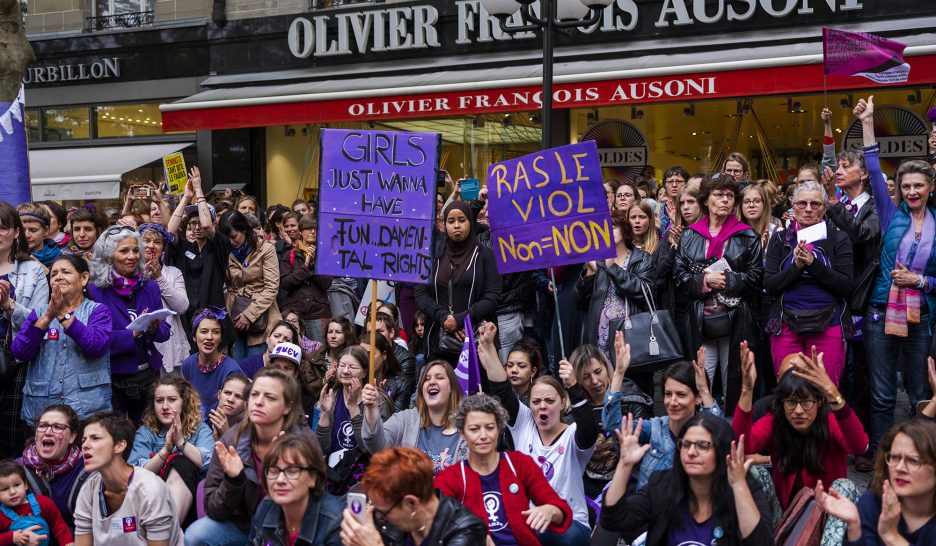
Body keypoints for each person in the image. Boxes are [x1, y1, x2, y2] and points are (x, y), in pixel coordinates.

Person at [855, 96, 936, 464]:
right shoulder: (889, 214)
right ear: (899, 190)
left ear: (929, 188)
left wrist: (920, 282)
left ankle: (921, 453)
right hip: (879, 312)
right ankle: (879, 454)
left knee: (920, 390)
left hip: (921, 315)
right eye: (906, 187)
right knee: (883, 393)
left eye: (919, 186)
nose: (912, 192)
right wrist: (869, 122)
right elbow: (873, 169)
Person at [478, 321, 598, 541]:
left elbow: (589, 428)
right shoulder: (524, 423)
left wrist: (573, 386)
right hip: (529, 521)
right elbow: (503, 389)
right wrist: (488, 346)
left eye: (549, 401)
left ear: (562, 404)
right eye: (536, 401)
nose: (542, 406)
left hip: (570, 523)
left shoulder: (573, 434)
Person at [185, 368, 317, 546]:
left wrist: (284, 471)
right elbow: (213, 509)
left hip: (289, 529)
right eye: (254, 395)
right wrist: (234, 481)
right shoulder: (231, 440)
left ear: (288, 407)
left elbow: (315, 504)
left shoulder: (305, 441)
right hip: (245, 527)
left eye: (270, 397)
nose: (259, 402)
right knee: (196, 535)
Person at [601, 413, 773, 546]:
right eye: (685, 444)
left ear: (722, 453)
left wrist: (739, 486)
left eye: (702, 445)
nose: (691, 452)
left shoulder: (744, 487)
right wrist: (625, 465)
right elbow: (613, 519)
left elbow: (761, 543)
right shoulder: (663, 484)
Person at [734, 343, 867, 508]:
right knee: (753, 473)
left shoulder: (830, 420)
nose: (798, 411)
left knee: (845, 487)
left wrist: (833, 392)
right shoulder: (775, 419)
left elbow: (859, 445)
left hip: (828, 517)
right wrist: (747, 390)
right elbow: (741, 446)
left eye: (806, 402)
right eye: (791, 402)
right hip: (785, 518)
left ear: (819, 401)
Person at [675, 172, 764, 413]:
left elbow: (756, 278)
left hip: (736, 322)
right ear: (706, 200)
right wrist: (704, 281)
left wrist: (726, 280)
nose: (725, 200)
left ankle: (734, 437)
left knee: (735, 382)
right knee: (699, 382)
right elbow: (679, 278)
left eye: (729, 195)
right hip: (700, 322)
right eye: (718, 195)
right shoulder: (689, 235)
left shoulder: (748, 236)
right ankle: (699, 437)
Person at [434, 394, 573, 546]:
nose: (483, 436)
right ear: (462, 433)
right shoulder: (451, 476)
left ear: (499, 429)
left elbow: (561, 510)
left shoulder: (519, 464)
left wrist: (550, 511)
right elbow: (432, 521)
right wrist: (471, 538)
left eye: (490, 428)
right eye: (474, 429)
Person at [764, 181, 854, 385]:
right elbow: (770, 286)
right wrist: (795, 266)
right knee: (789, 390)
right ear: (793, 207)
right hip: (786, 325)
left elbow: (846, 286)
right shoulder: (780, 239)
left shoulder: (838, 238)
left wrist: (813, 264)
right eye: (801, 203)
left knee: (825, 391)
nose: (808, 209)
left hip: (829, 324)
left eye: (815, 204)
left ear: (824, 208)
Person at [604, 338, 723, 489]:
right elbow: (612, 425)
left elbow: (722, 436)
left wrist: (705, 391)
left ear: (697, 398)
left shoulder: (707, 431)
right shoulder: (653, 428)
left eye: (681, 395)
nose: (672, 402)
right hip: (651, 509)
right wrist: (619, 373)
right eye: (668, 394)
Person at [14, 255, 111, 426]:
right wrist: (47, 317)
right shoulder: (39, 313)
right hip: (43, 411)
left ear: (84, 278)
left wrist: (61, 315)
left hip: (88, 412)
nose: (58, 276)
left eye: (66, 272)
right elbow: (20, 352)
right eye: (54, 274)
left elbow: (96, 346)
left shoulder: (98, 311)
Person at [87, 225, 169, 424]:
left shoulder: (149, 286)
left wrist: (155, 328)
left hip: (148, 375)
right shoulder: (95, 291)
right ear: (108, 256)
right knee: (116, 437)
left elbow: (165, 333)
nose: (132, 256)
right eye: (124, 251)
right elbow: (94, 339)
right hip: (112, 379)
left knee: (150, 433)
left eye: (135, 250)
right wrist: (130, 334)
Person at [815, 419, 936, 545]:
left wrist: (892, 536)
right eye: (894, 457)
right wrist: (854, 526)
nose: (899, 468)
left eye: (913, 461)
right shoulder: (873, 502)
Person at [74, 411, 184, 546]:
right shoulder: (88, 490)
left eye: (95, 438)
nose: (85, 445)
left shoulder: (150, 489)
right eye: (84, 440)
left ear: (119, 445)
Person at [338, 447, 487, 546]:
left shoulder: (467, 530)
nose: (378, 517)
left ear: (411, 503)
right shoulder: (392, 518)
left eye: (383, 514)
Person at [415, 201, 502, 365]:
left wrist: (462, 319)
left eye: (462, 220)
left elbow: (493, 297)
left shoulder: (485, 256)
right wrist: (444, 318)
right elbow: (420, 294)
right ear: (444, 224)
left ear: (470, 221)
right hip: (438, 342)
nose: (456, 225)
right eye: (451, 221)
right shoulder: (432, 255)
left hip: (477, 342)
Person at [0, 202, 51, 458]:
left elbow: (40, 319)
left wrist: (9, 305)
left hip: (18, 361)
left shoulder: (33, 272)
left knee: (13, 436)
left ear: (16, 232)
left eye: (3, 228)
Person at [128, 375, 214, 525]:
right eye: (159, 400)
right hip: (151, 502)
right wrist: (165, 451)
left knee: (181, 462)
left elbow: (209, 463)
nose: (165, 406)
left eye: (172, 400)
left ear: (184, 403)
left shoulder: (200, 429)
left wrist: (181, 442)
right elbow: (135, 473)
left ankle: (167, 532)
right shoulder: (145, 432)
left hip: (193, 504)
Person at [573, 210, 655, 359]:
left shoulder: (642, 259)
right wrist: (589, 275)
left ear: (624, 229)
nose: (606, 231)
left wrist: (613, 269)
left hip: (630, 335)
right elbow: (580, 303)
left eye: (611, 226)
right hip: (599, 335)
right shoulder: (596, 260)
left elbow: (646, 293)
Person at [361, 360, 466, 473]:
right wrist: (372, 409)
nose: (432, 382)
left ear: (451, 388)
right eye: (426, 379)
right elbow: (377, 446)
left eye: (439, 378)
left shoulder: (468, 427)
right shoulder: (405, 420)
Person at [167, 168, 233, 344]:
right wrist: (187, 197)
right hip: (185, 318)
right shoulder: (185, 247)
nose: (197, 227)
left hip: (211, 318)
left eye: (199, 222)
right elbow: (170, 231)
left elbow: (207, 226)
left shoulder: (219, 245)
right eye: (192, 223)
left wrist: (198, 191)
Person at [249, 434, 341, 546]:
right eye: (273, 470)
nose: (280, 479)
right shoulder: (266, 507)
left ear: (313, 478)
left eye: (292, 470)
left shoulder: (335, 523)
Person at [224, 211, 282, 361]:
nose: (231, 242)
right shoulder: (227, 251)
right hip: (235, 315)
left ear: (244, 229)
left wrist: (249, 315)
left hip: (261, 316)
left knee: (257, 367)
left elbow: (271, 288)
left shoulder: (266, 249)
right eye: (227, 238)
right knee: (237, 369)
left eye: (234, 236)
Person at [16, 404, 86, 528]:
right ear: (36, 433)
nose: (48, 432)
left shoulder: (86, 468)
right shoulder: (16, 469)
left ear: (72, 437)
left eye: (58, 427)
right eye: (42, 426)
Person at [655, 179, 702, 356]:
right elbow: (658, 273)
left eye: (691, 202)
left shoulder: (710, 233)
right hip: (676, 308)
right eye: (682, 203)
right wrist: (674, 247)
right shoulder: (672, 233)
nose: (686, 207)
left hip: (702, 309)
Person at [140, 222, 190, 375]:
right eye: (146, 240)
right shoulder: (131, 272)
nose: (151, 246)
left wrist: (159, 278)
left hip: (170, 344)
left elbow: (182, 307)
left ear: (163, 247)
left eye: (157, 242)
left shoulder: (174, 273)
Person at [180, 307, 243, 419]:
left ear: (221, 337)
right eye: (204, 331)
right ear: (194, 336)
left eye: (215, 332)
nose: (209, 337)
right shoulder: (188, 365)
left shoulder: (231, 370)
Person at [279, 214, 331, 344]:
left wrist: (313, 265)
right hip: (295, 313)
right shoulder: (289, 255)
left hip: (318, 313)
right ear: (301, 231)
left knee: (318, 353)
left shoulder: (325, 254)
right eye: (309, 228)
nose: (313, 232)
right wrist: (306, 267)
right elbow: (285, 283)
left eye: (316, 229)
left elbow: (326, 284)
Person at [0, 460, 73, 546]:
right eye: (5, 489)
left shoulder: (44, 503)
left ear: (25, 485)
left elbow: (59, 525)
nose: (12, 492)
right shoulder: (1, 514)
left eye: (17, 485)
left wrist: (67, 542)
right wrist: (11, 537)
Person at [359, 332, 409, 414]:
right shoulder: (355, 382)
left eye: (370, 354)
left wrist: (383, 400)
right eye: (362, 354)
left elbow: (396, 422)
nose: (365, 359)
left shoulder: (400, 385)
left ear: (384, 355)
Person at [17, 202, 60, 270]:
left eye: (33, 230)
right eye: (22, 230)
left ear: (46, 231)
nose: (26, 235)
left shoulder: (61, 258)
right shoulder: (9, 259)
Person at [207, 373, 250, 441]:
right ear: (219, 395)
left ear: (245, 403)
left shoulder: (250, 428)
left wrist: (226, 434)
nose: (230, 400)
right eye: (227, 393)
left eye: (238, 396)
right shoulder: (204, 417)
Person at [659, 167, 689, 236]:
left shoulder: (690, 208)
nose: (674, 185)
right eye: (670, 182)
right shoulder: (658, 209)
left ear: (687, 183)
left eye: (679, 181)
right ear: (664, 185)